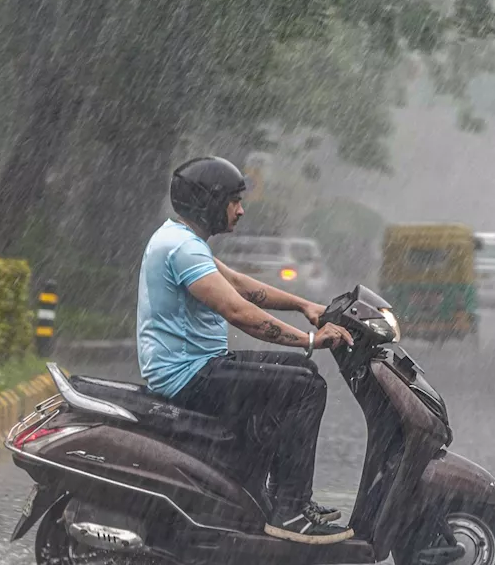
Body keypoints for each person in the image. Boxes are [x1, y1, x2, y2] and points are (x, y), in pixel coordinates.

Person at [136, 156, 356, 545]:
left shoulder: (182, 239)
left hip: (198, 367)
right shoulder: (181, 249)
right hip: (189, 375)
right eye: (234, 200)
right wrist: (309, 340)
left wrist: (304, 306)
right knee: (305, 388)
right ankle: (290, 510)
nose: (241, 209)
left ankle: (272, 497)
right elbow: (238, 311)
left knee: (300, 374)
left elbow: (238, 284)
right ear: (209, 202)